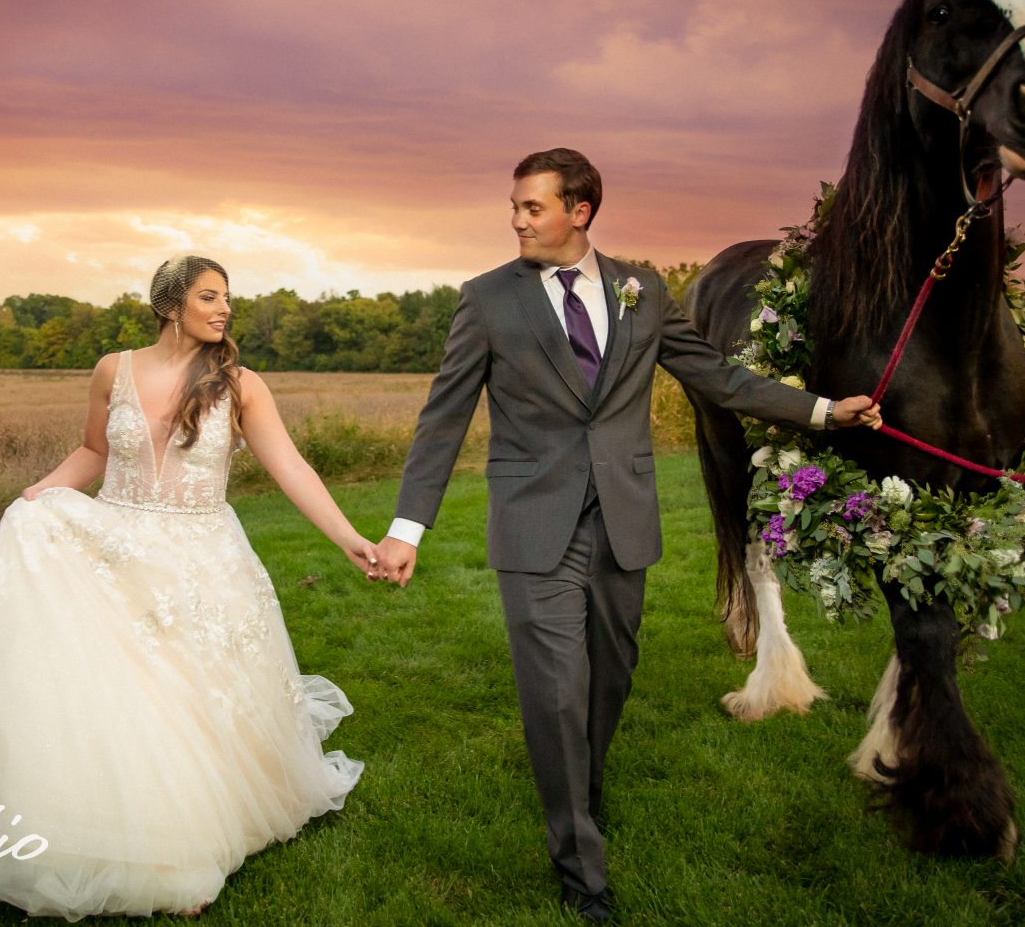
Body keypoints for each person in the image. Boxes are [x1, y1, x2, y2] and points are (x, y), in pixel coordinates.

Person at [370, 148, 880, 922]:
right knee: (553, 689)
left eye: (531, 207)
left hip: (623, 521)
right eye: (513, 206)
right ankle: (581, 866)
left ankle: (584, 792)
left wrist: (819, 409)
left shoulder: (643, 292)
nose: (516, 220)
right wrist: (408, 528)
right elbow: (442, 420)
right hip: (533, 524)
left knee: (608, 678)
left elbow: (719, 377)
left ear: (580, 211)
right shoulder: (486, 301)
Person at [0, 255, 372, 919]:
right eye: (209, 297)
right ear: (170, 305)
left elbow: (292, 467)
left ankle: (194, 835)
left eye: (227, 298)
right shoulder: (114, 368)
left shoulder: (240, 384)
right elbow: (95, 453)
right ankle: (132, 834)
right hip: (117, 543)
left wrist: (349, 537)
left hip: (203, 556)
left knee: (193, 698)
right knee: (127, 698)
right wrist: (41, 494)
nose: (224, 310)